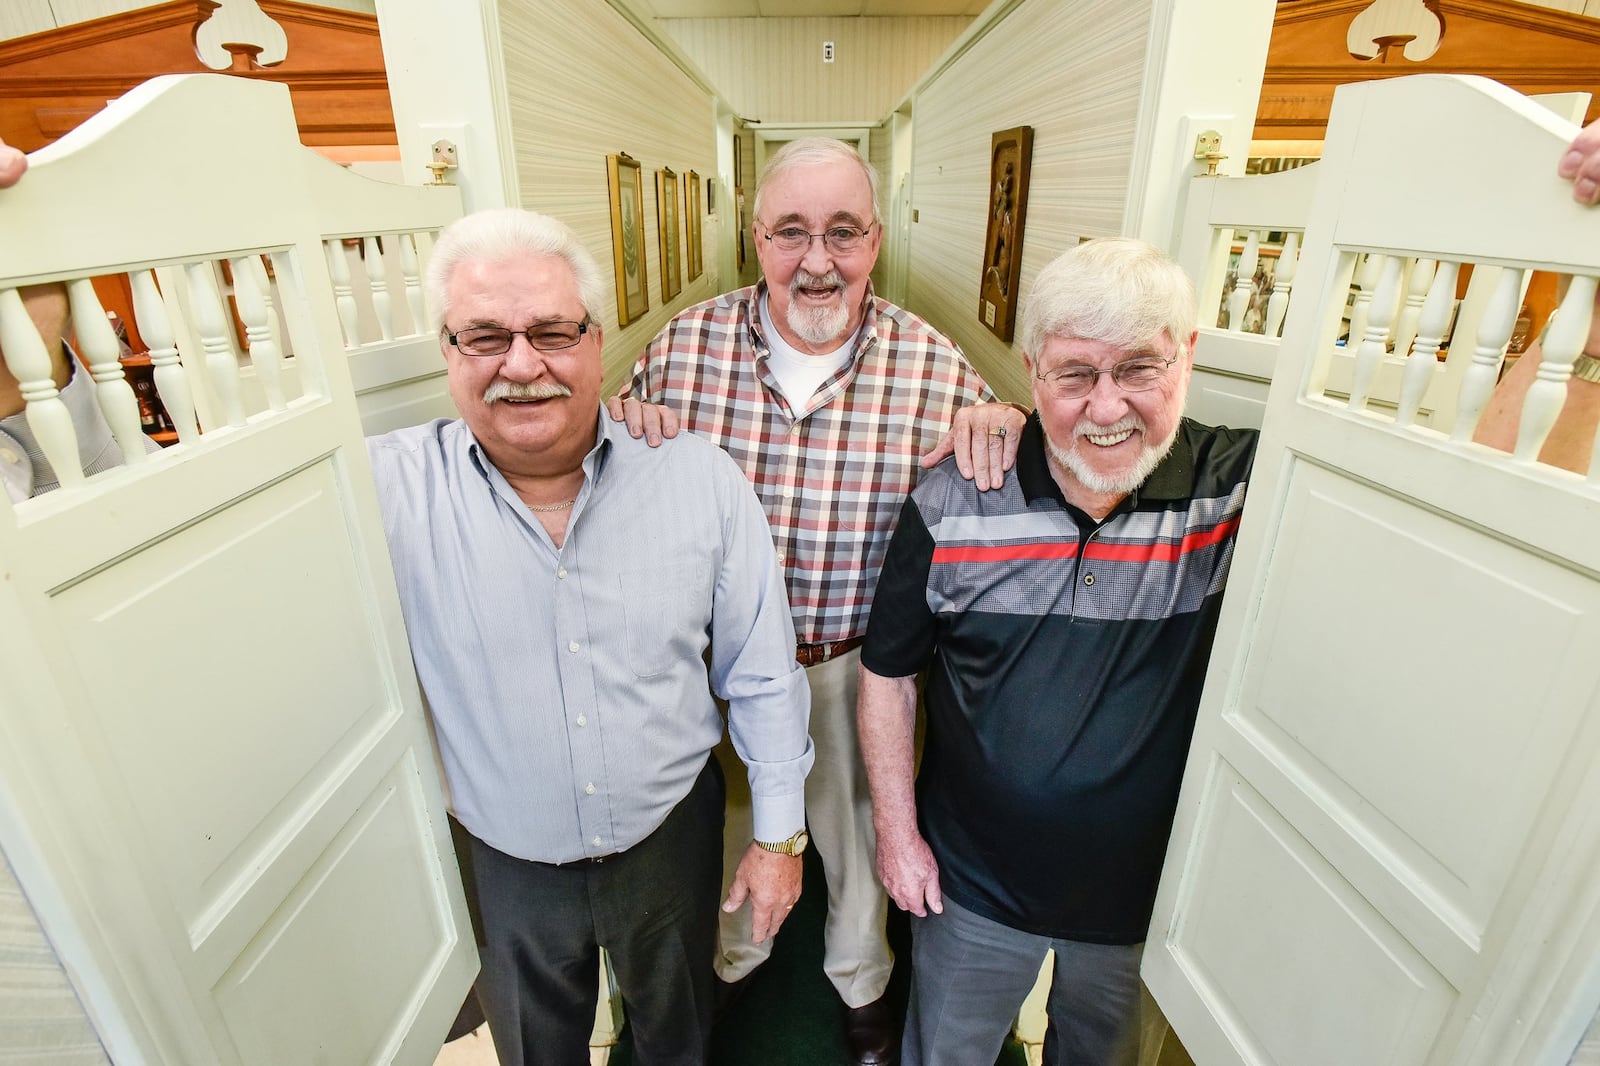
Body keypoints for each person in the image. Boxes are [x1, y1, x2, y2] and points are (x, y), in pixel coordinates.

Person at [613, 136, 1026, 1066]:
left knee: (861, 831)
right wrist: (627, 419)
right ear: (755, 238)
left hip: (853, 664)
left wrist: (1006, 424)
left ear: (875, 240)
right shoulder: (685, 348)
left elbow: (1012, 469)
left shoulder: (931, 364)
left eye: (843, 232)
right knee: (726, 830)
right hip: (716, 670)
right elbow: (614, 466)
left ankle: (860, 985)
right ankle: (734, 961)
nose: (817, 259)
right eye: (791, 232)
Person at [367, 207, 814, 1065]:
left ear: (597, 341)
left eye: (552, 332)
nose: (523, 365)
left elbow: (762, 669)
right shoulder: (382, 491)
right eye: (485, 337)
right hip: (504, 861)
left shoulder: (695, 477)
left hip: (670, 842)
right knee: (536, 1049)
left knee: (677, 1037)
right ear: (447, 350)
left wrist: (779, 838)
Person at [857, 237, 1255, 1066]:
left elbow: (1446, 490)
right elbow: (889, 679)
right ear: (1032, 371)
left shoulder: (1235, 489)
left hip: (1147, 903)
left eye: (1140, 369)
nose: (1107, 409)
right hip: (970, 890)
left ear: (1188, 357)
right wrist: (898, 837)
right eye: (1076, 375)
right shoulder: (954, 498)